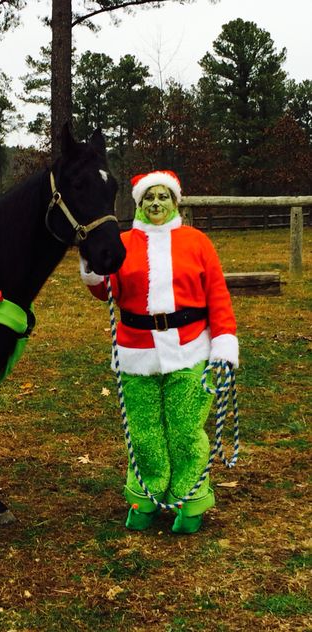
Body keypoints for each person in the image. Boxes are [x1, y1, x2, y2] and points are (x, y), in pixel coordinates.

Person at [80, 170, 238, 534]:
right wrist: (92, 267)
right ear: (138, 203)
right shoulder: (123, 243)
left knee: (185, 428)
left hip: (191, 348)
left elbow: (217, 295)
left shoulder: (198, 243)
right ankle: (144, 496)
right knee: (144, 431)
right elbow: (106, 291)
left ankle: (191, 499)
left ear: (175, 201)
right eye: (148, 197)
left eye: (162, 197)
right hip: (137, 351)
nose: (155, 204)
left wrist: (224, 341)